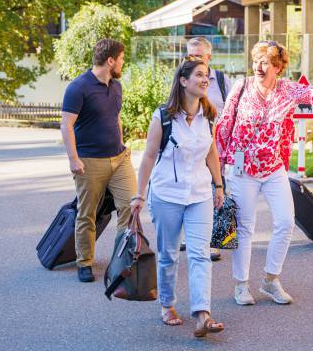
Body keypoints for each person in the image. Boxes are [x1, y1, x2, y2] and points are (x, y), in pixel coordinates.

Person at [216, 41, 313, 305]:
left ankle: (270, 280)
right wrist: (218, 169)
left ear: (277, 67)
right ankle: (241, 285)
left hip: (274, 167)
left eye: (265, 62)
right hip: (243, 170)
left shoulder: (287, 90)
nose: (259, 66)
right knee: (244, 227)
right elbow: (224, 126)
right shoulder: (240, 88)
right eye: (256, 61)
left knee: (286, 222)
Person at [132, 57, 225, 338]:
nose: (205, 79)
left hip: (199, 194)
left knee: (200, 255)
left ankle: (202, 314)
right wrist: (139, 194)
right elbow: (149, 156)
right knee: (169, 255)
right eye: (199, 75)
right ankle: (167, 305)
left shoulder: (209, 115)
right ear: (183, 81)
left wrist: (218, 185)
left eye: (207, 75)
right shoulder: (162, 117)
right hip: (167, 195)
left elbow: (211, 152)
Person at [60, 38, 136, 283]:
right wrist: (74, 159)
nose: (123, 62)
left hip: (119, 158)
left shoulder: (116, 86)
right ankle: (84, 262)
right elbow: (66, 125)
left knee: (130, 207)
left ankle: (121, 261)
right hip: (89, 161)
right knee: (87, 213)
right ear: (110, 60)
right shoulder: (78, 87)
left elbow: (116, 118)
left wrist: (122, 145)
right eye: (121, 58)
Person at [185, 36, 231, 262]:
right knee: (188, 189)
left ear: (209, 57)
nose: (193, 60)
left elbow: (233, 113)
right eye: (189, 55)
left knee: (216, 191)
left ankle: (213, 243)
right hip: (189, 150)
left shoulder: (221, 81)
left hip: (216, 149)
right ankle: (190, 236)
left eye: (198, 56)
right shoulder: (181, 79)